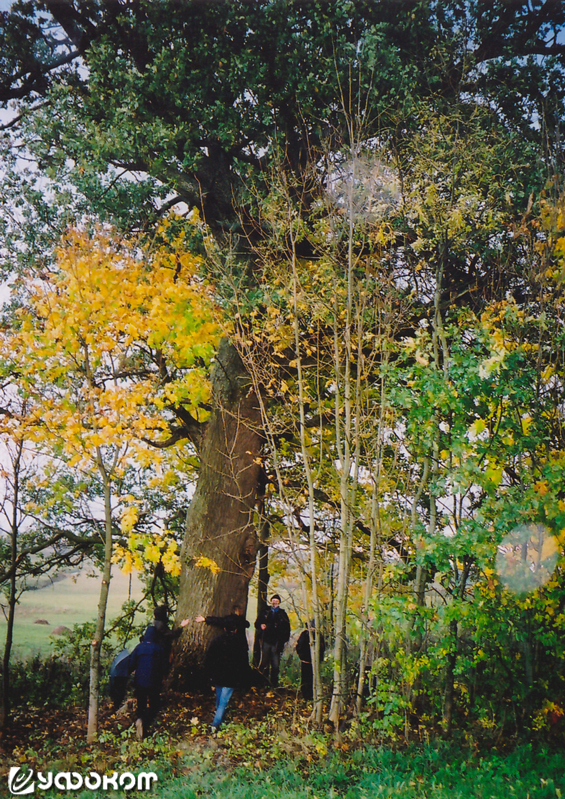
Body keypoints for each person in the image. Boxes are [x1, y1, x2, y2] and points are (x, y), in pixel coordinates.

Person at [205, 617, 250, 732]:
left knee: (219, 700)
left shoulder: (216, 641)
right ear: (235, 630)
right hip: (231, 677)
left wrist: (210, 675)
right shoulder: (240, 643)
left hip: (218, 676)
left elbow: (209, 659)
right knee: (223, 702)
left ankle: (220, 718)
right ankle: (215, 725)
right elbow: (243, 662)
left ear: (224, 629)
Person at [128, 624, 167, 739]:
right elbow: (163, 666)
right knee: (154, 705)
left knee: (141, 704)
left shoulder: (139, 647)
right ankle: (145, 723)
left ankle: (140, 720)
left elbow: (131, 664)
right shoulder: (159, 648)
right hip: (154, 681)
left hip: (140, 681)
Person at [254, 594, 291, 687]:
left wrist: (283, 640)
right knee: (263, 663)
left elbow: (287, 629)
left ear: (279, 603)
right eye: (273, 601)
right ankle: (261, 684)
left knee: (275, 665)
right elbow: (257, 623)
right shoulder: (265, 612)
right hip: (265, 641)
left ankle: (274, 685)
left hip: (276, 643)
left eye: (277, 601)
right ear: (271, 601)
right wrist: (261, 625)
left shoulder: (282, 614)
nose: (275, 602)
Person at [295, 622, 325, 700]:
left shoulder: (319, 635)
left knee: (314, 679)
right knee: (305, 678)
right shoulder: (304, 634)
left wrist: (319, 659)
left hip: (315, 662)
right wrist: (302, 657)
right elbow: (299, 646)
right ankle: (305, 695)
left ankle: (313, 695)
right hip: (306, 661)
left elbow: (323, 648)